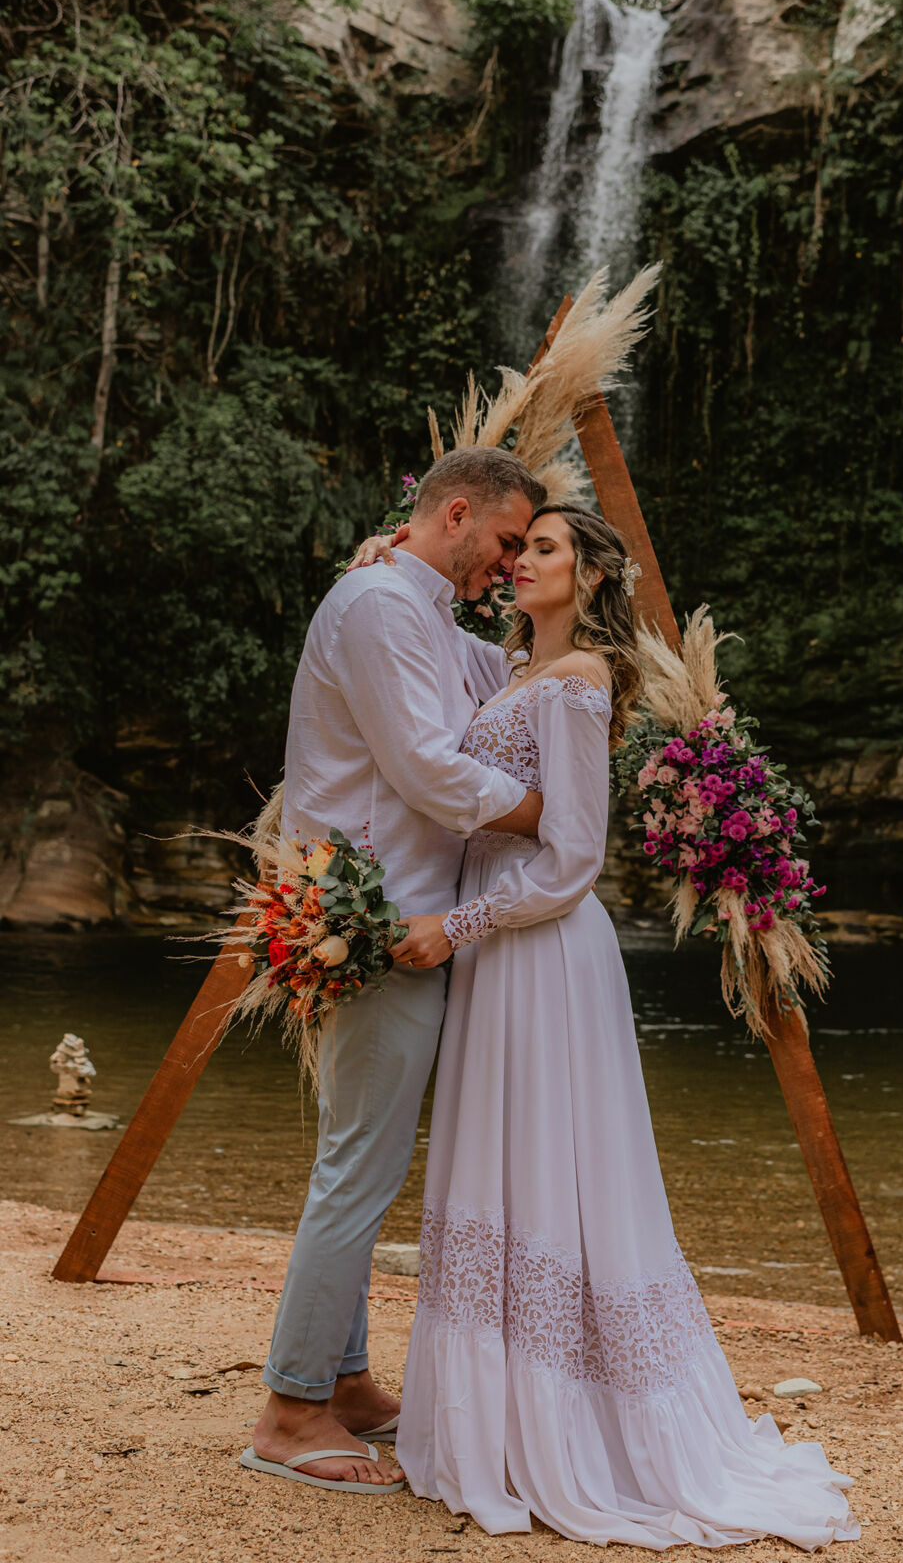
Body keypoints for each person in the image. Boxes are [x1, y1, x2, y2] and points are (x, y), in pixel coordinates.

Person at [378, 503, 862, 1547]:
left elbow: (571, 858)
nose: (519, 562)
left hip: (540, 948)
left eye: (542, 549)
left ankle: (576, 1433)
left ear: (591, 577)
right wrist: (396, 560)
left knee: (561, 1174)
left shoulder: (580, 685)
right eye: (519, 547)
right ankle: (490, 1425)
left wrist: (450, 927)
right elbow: (433, 635)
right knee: (497, 1164)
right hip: (502, 949)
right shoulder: (510, 672)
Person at [241, 448, 546, 1495]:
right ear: (455, 512)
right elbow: (423, 761)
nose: (509, 566)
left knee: (361, 1161)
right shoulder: (378, 603)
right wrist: (547, 816)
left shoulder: (419, 610)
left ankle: (348, 1378)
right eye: (506, 542)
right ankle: (289, 1407)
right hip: (374, 921)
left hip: (409, 916)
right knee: (358, 1169)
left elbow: (501, 690)